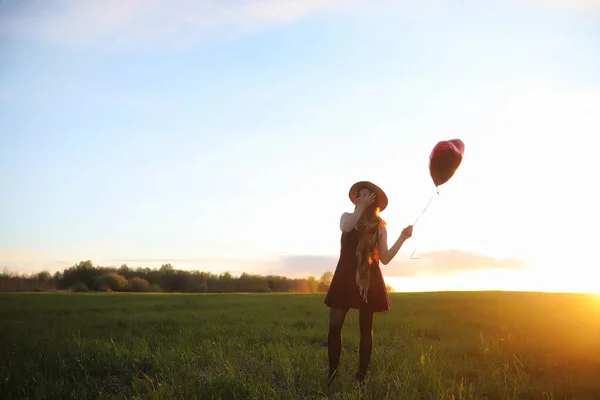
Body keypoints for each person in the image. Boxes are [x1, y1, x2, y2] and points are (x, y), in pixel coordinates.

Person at [324, 180, 413, 384]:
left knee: (366, 329)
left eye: (365, 194)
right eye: (359, 195)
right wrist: (360, 209)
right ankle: (332, 373)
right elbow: (347, 228)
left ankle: (361, 376)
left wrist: (402, 237)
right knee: (334, 325)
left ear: (373, 200)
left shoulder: (380, 226)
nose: (360, 197)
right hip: (345, 275)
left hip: (368, 279)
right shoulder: (347, 217)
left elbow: (385, 258)